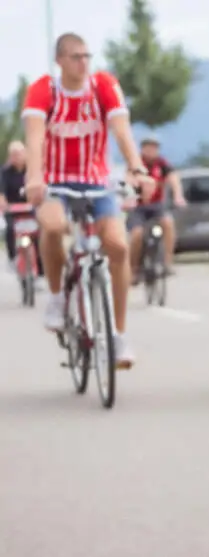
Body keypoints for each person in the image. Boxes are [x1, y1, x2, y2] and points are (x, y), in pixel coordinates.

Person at [22, 32, 155, 368]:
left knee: (119, 246)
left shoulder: (103, 86)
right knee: (52, 227)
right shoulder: (44, 90)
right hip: (54, 180)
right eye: (75, 57)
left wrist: (137, 169)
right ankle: (56, 297)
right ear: (60, 61)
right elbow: (35, 139)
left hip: (97, 180)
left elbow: (122, 131)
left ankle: (118, 336)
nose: (83, 63)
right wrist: (35, 177)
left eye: (86, 56)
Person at [127, 136, 187, 283]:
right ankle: (133, 269)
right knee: (136, 235)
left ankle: (167, 263)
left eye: (154, 148)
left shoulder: (162, 164)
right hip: (138, 207)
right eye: (148, 147)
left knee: (168, 223)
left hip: (157, 206)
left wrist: (178, 196)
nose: (151, 151)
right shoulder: (136, 163)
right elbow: (129, 178)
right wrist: (130, 196)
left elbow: (173, 178)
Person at [0, 141, 44, 278]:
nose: (17, 157)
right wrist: (3, 203)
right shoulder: (4, 172)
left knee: (39, 232)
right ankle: (13, 257)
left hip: (31, 207)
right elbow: (1, 192)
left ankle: (41, 266)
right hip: (12, 208)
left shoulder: (31, 170)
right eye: (14, 155)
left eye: (19, 154)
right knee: (10, 228)